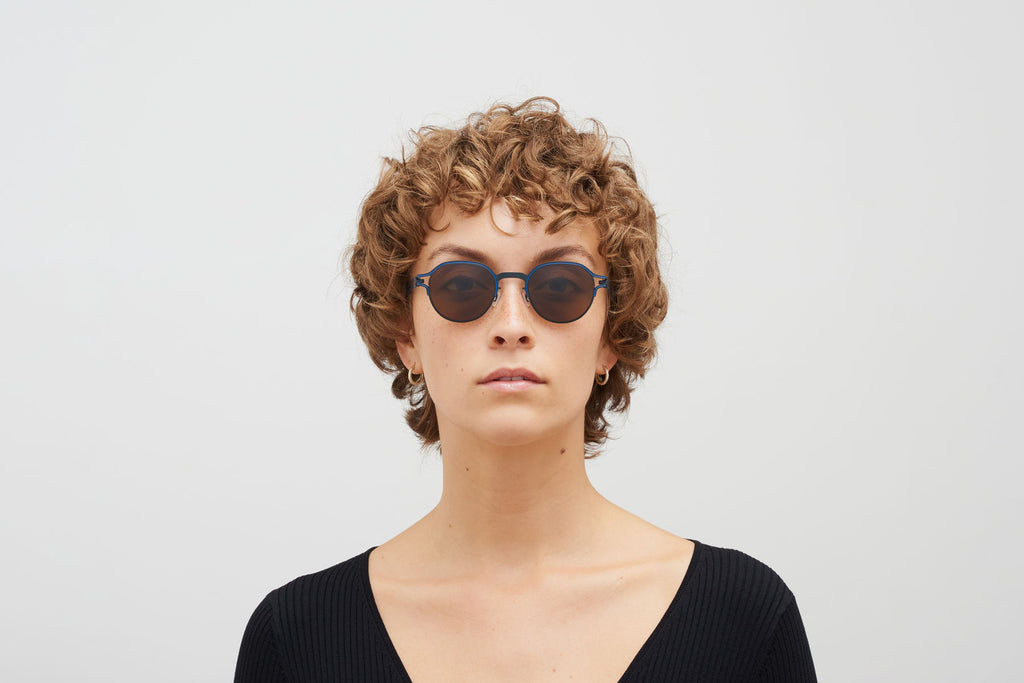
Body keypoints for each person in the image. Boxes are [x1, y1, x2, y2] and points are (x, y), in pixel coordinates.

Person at [233, 97, 816, 682]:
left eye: (559, 286)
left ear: (610, 333)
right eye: (462, 285)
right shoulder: (297, 639)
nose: (511, 326)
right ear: (405, 334)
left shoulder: (744, 624)